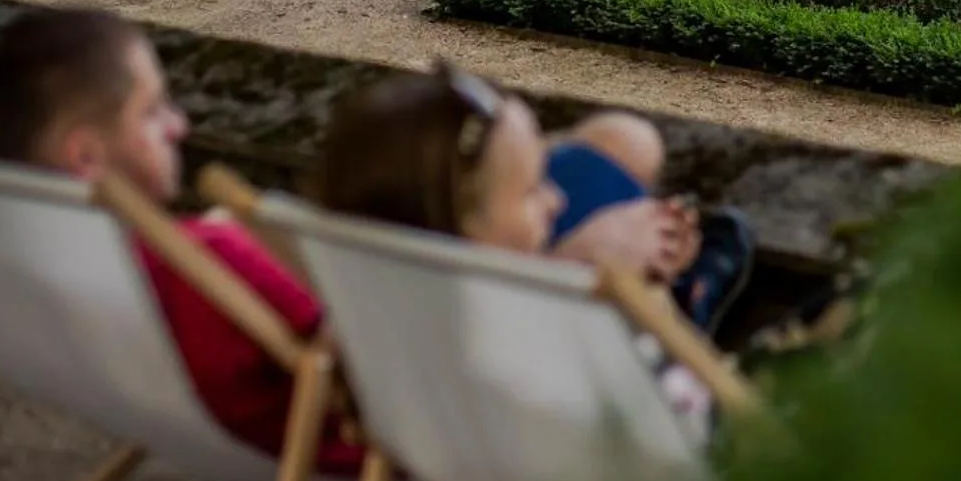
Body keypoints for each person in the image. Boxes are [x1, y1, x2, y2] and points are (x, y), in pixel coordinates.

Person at [0, 7, 365, 474]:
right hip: (356, 444)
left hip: (181, 422)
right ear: (85, 156)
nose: (179, 125)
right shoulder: (212, 259)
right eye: (152, 110)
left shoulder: (24, 266)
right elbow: (366, 353)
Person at [318, 65, 756, 339]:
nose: (556, 199)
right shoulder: (536, 351)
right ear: (462, 232)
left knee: (625, 141)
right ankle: (689, 299)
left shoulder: (396, 306)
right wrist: (586, 272)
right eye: (532, 191)